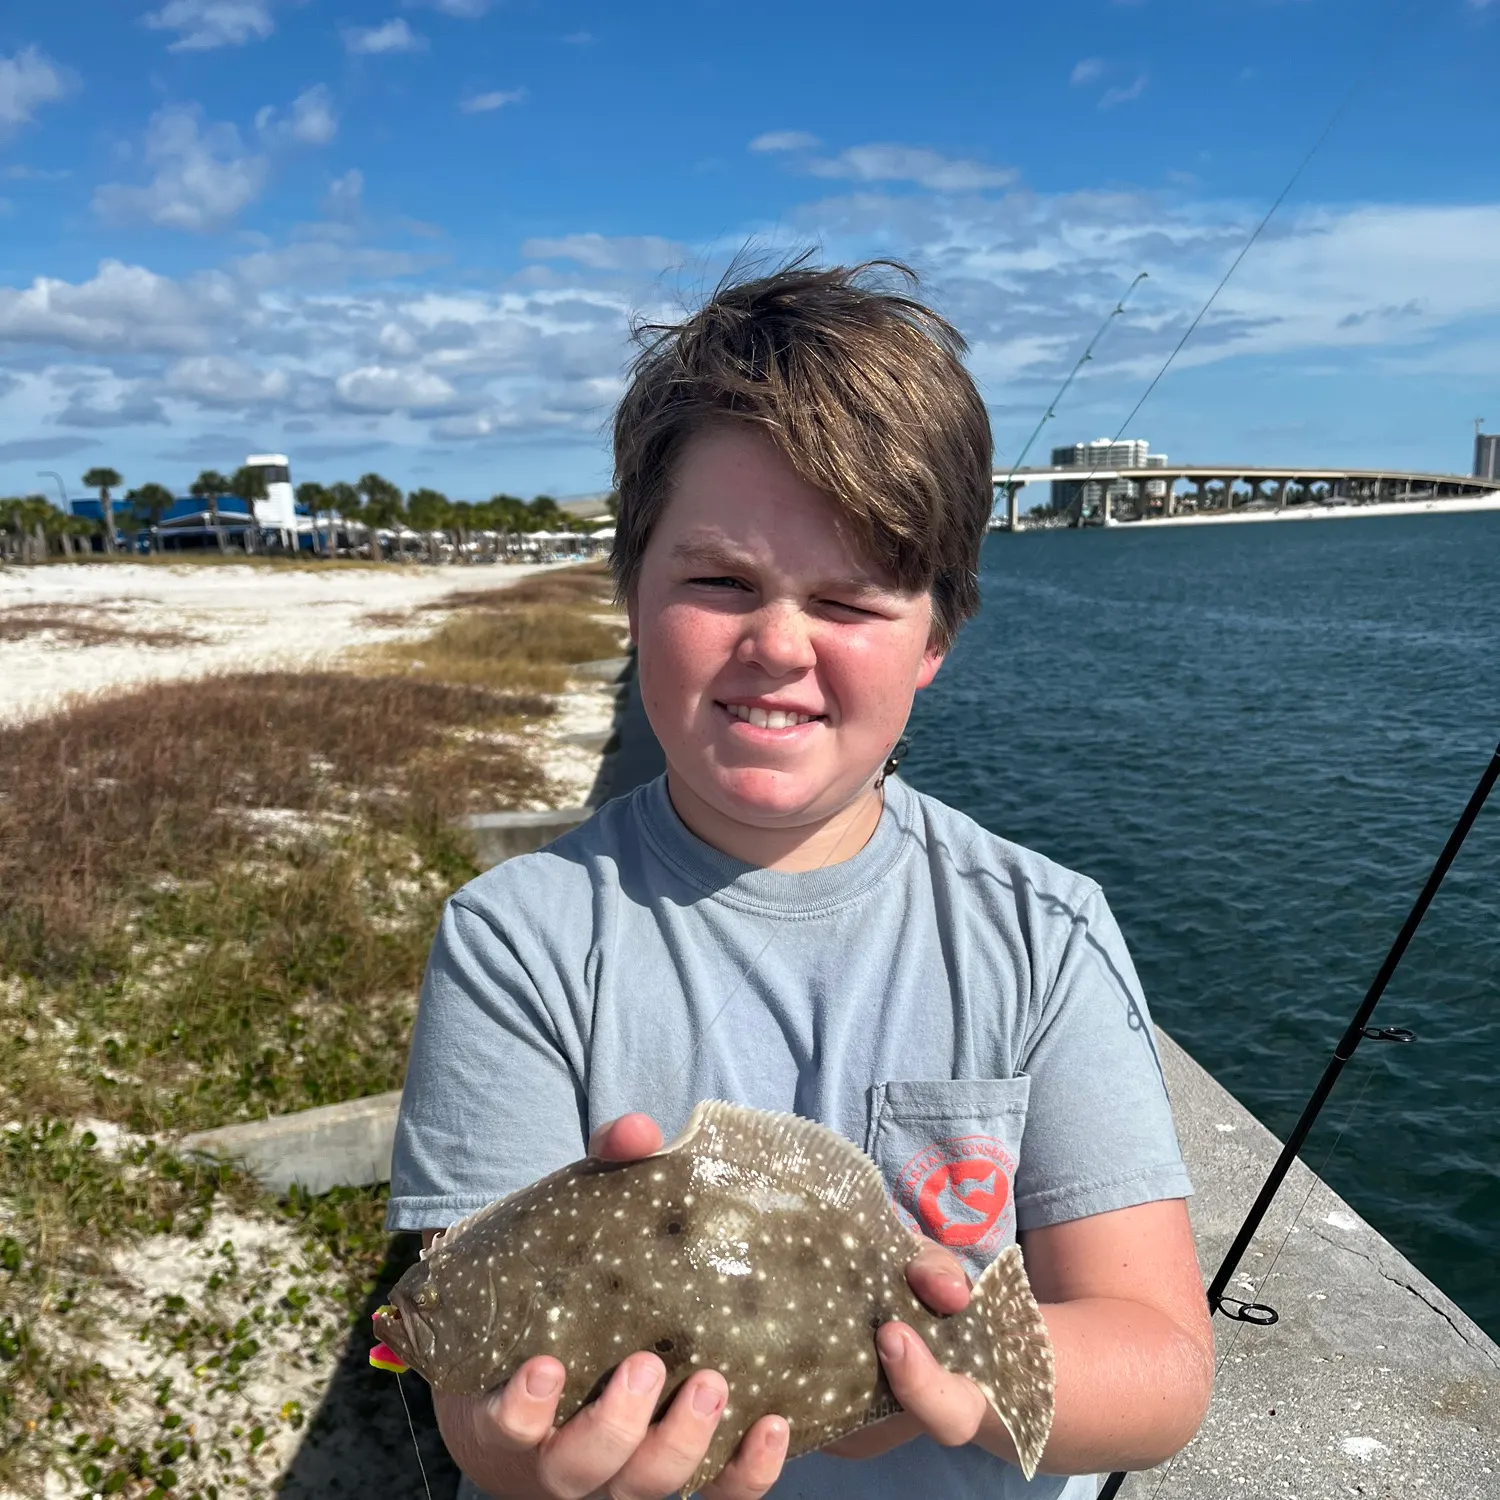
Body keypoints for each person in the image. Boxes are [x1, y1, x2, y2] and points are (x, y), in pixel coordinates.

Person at [387, 258, 1214, 1500]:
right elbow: (469, 1401)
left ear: (936, 636)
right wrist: (521, 1449)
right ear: (630, 593)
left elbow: (1161, 1362)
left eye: (849, 599)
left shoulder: (1042, 937)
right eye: (720, 581)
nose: (778, 645)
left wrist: (953, 1380)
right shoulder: (520, 940)